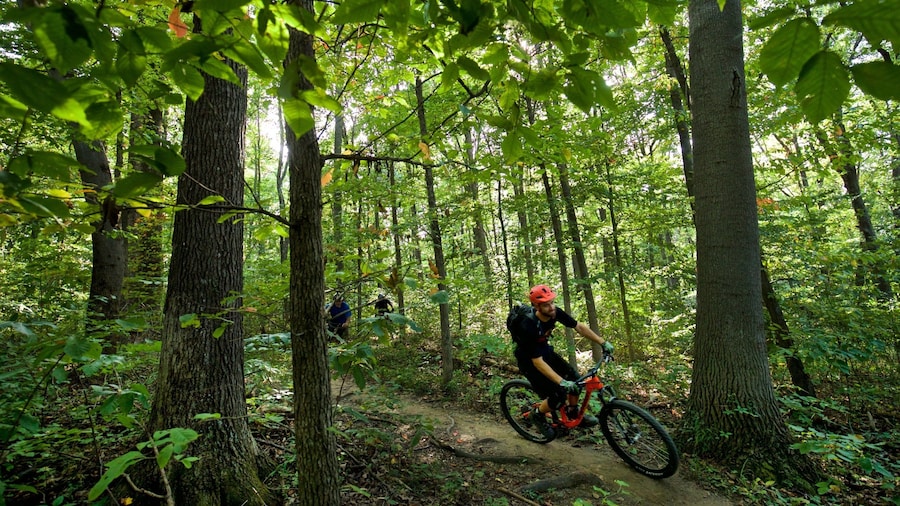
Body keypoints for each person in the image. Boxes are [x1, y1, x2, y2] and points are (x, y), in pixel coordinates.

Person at [509, 284, 614, 439]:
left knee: (574, 379)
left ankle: (573, 412)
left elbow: (578, 326)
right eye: (546, 305)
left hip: (544, 351)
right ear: (537, 306)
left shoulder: (554, 312)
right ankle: (537, 415)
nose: (551, 307)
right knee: (557, 396)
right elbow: (537, 362)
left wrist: (602, 342)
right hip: (530, 361)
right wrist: (561, 382)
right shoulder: (528, 326)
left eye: (552, 302)